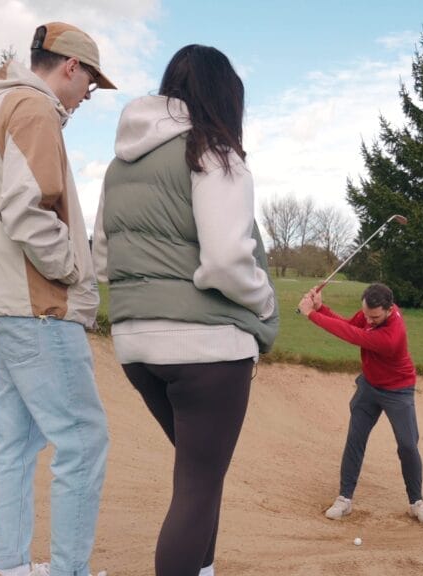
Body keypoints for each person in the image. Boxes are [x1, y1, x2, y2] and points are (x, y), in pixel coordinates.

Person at [92, 44, 278, 576]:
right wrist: (264, 301)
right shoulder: (214, 152)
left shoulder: (118, 165)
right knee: (197, 487)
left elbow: (101, 259)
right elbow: (224, 260)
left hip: (135, 345)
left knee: (201, 477)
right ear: (224, 96)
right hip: (207, 349)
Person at [0, 21, 115, 576]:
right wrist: (74, 268)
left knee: (17, 440)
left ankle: (9, 567)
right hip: (37, 308)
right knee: (83, 442)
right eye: (90, 84)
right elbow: (27, 211)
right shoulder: (35, 110)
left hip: (5, 301)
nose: (87, 97)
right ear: (70, 67)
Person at [297, 283, 423, 524]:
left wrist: (311, 314)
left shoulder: (392, 336)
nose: (369, 320)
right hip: (369, 387)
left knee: (408, 445)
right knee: (355, 440)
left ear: (390, 309)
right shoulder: (373, 311)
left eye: (375, 317)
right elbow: (352, 325)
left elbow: (352, 335)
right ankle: (344, 499)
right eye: (367, 315)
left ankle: (416, 502)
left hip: (398, 390)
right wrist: (322, 308)